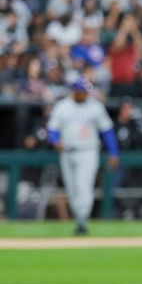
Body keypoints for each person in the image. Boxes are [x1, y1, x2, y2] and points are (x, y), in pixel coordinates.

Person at [46, 77, 119, 235]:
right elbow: (52, 129)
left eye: (86, 92)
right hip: (67, 152)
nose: (85, 95)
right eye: (82, 92)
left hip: (88, 151)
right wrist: (55, 141)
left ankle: (82, 220)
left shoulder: (95, 107)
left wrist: (113, 152)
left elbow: (107, 131)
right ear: (74, 91)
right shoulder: (63, 106)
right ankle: (80, 220)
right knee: (72, 189)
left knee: (83, 186)